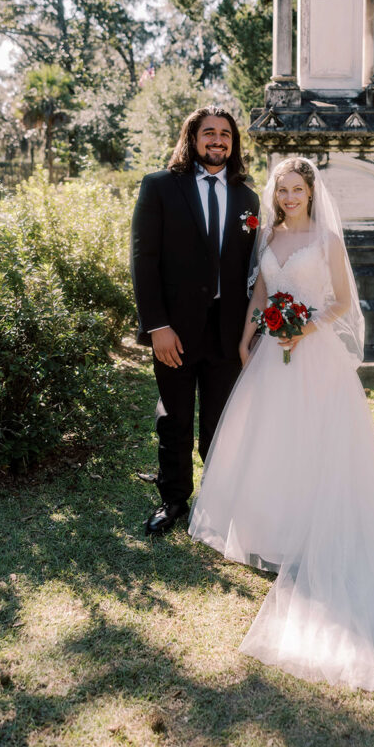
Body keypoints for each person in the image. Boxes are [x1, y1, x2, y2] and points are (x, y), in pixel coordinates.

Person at [189, 157, 374, 691]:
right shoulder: (266, 237)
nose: (288, 197)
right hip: (270, 354)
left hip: (315, 355)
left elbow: (343, 302)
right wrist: (247, 337)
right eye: (281, 189)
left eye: (296, 189)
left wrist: (303, 328)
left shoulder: (328, 240)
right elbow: (261, 293)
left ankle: (316, 528)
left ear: (311, 192)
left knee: (317, 442)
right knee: (271, 443)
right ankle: (274, 530)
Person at [130, 106, 259, 536]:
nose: (218, 141)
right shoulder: (160, 187)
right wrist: (156, 326)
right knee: (175, 417)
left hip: (228, 331)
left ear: (233, 142)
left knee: (221, 420)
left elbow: (253, 267)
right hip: (175, 331)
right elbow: (143, 261)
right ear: (193, 138)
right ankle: (173, 500)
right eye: (209, 133)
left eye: (225, 134)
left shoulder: (248, 197)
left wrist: (253, 330)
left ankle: (218, 498)